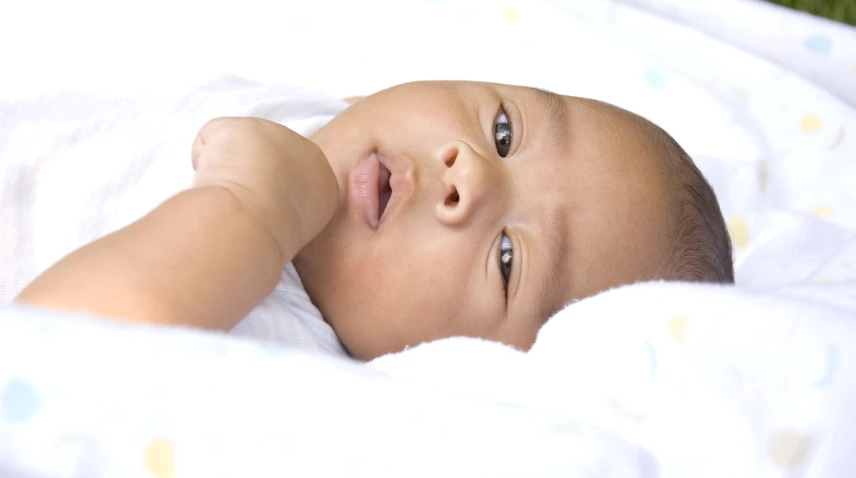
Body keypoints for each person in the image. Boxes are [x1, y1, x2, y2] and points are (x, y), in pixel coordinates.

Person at [13, 81, 733, 360]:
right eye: (506, 132)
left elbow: (56, 356)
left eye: (510, 259)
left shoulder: (272, 338)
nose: (471, 171)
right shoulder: (324, 110)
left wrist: (252, 209)